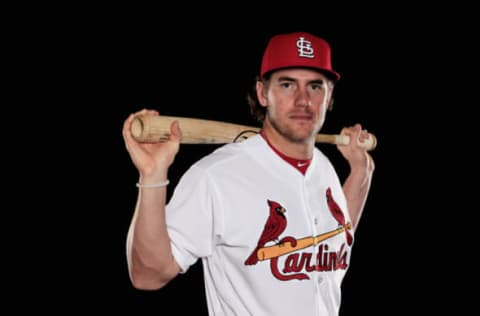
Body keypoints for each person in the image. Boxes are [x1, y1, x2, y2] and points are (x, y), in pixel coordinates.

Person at [122, 31, 375, 315]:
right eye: (287, 84)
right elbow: (148, 275)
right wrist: (153, 177)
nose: (303, 100)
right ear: (261, 92)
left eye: (315, 86)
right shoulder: (216, 176)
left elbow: (336, 240)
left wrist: (361, 173)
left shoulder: (324, 168)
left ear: (329, 98)